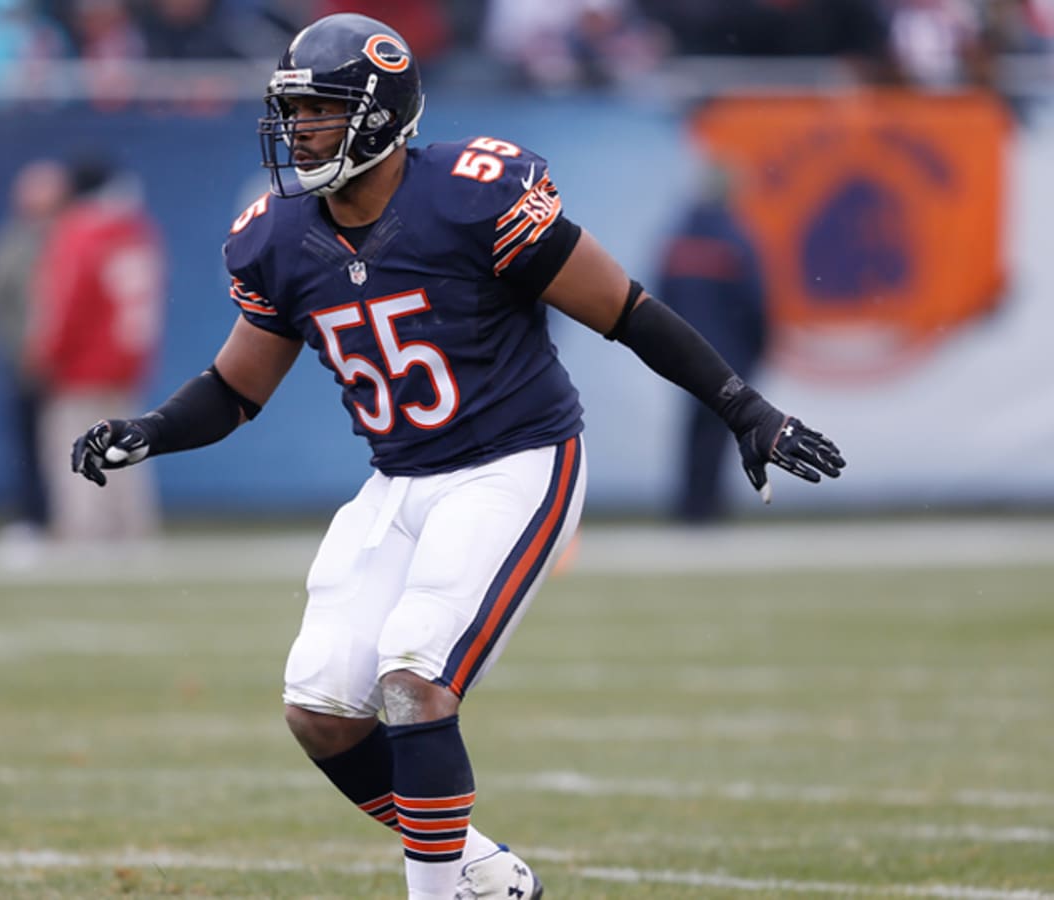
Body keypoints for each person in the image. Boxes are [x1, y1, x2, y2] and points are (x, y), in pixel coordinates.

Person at [69, 13, 845, 898]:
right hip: (400, 477)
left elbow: (626, 310)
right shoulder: (282, 237)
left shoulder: (473, 196)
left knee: (414, 677)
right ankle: (477, 867)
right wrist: (153, 430)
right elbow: (237, 388)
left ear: (381, 115)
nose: (298, 132)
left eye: (319, 111)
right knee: (320, 709)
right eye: (293, 112)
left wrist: (743, 407)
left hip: (516, 461)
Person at [29, 155, 165, 544]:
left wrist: (48, 355)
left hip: (83, 364)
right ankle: (131, 532)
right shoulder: (136, 230)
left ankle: (86, 534)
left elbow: (68, 305)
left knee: (77, 448)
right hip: (127, 358)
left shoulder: (80, 231)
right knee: (127, 448)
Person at [655, 162, 769, 524]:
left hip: (683, 353)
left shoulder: (679, 240)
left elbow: (659, 299)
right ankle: (708, 505)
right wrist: (757, 348)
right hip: (727, 354)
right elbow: (754, 303)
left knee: (693, 427)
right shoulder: (734, 238)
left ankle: (690, 503)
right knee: (720, 430)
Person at [0, 158, 71, 542]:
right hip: (25, 365)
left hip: (70, 367)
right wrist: (21, 348)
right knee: (29, 445)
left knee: (72, 444)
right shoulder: (11, 242)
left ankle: (76, 520)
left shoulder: (75, 235)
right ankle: (34, 519)